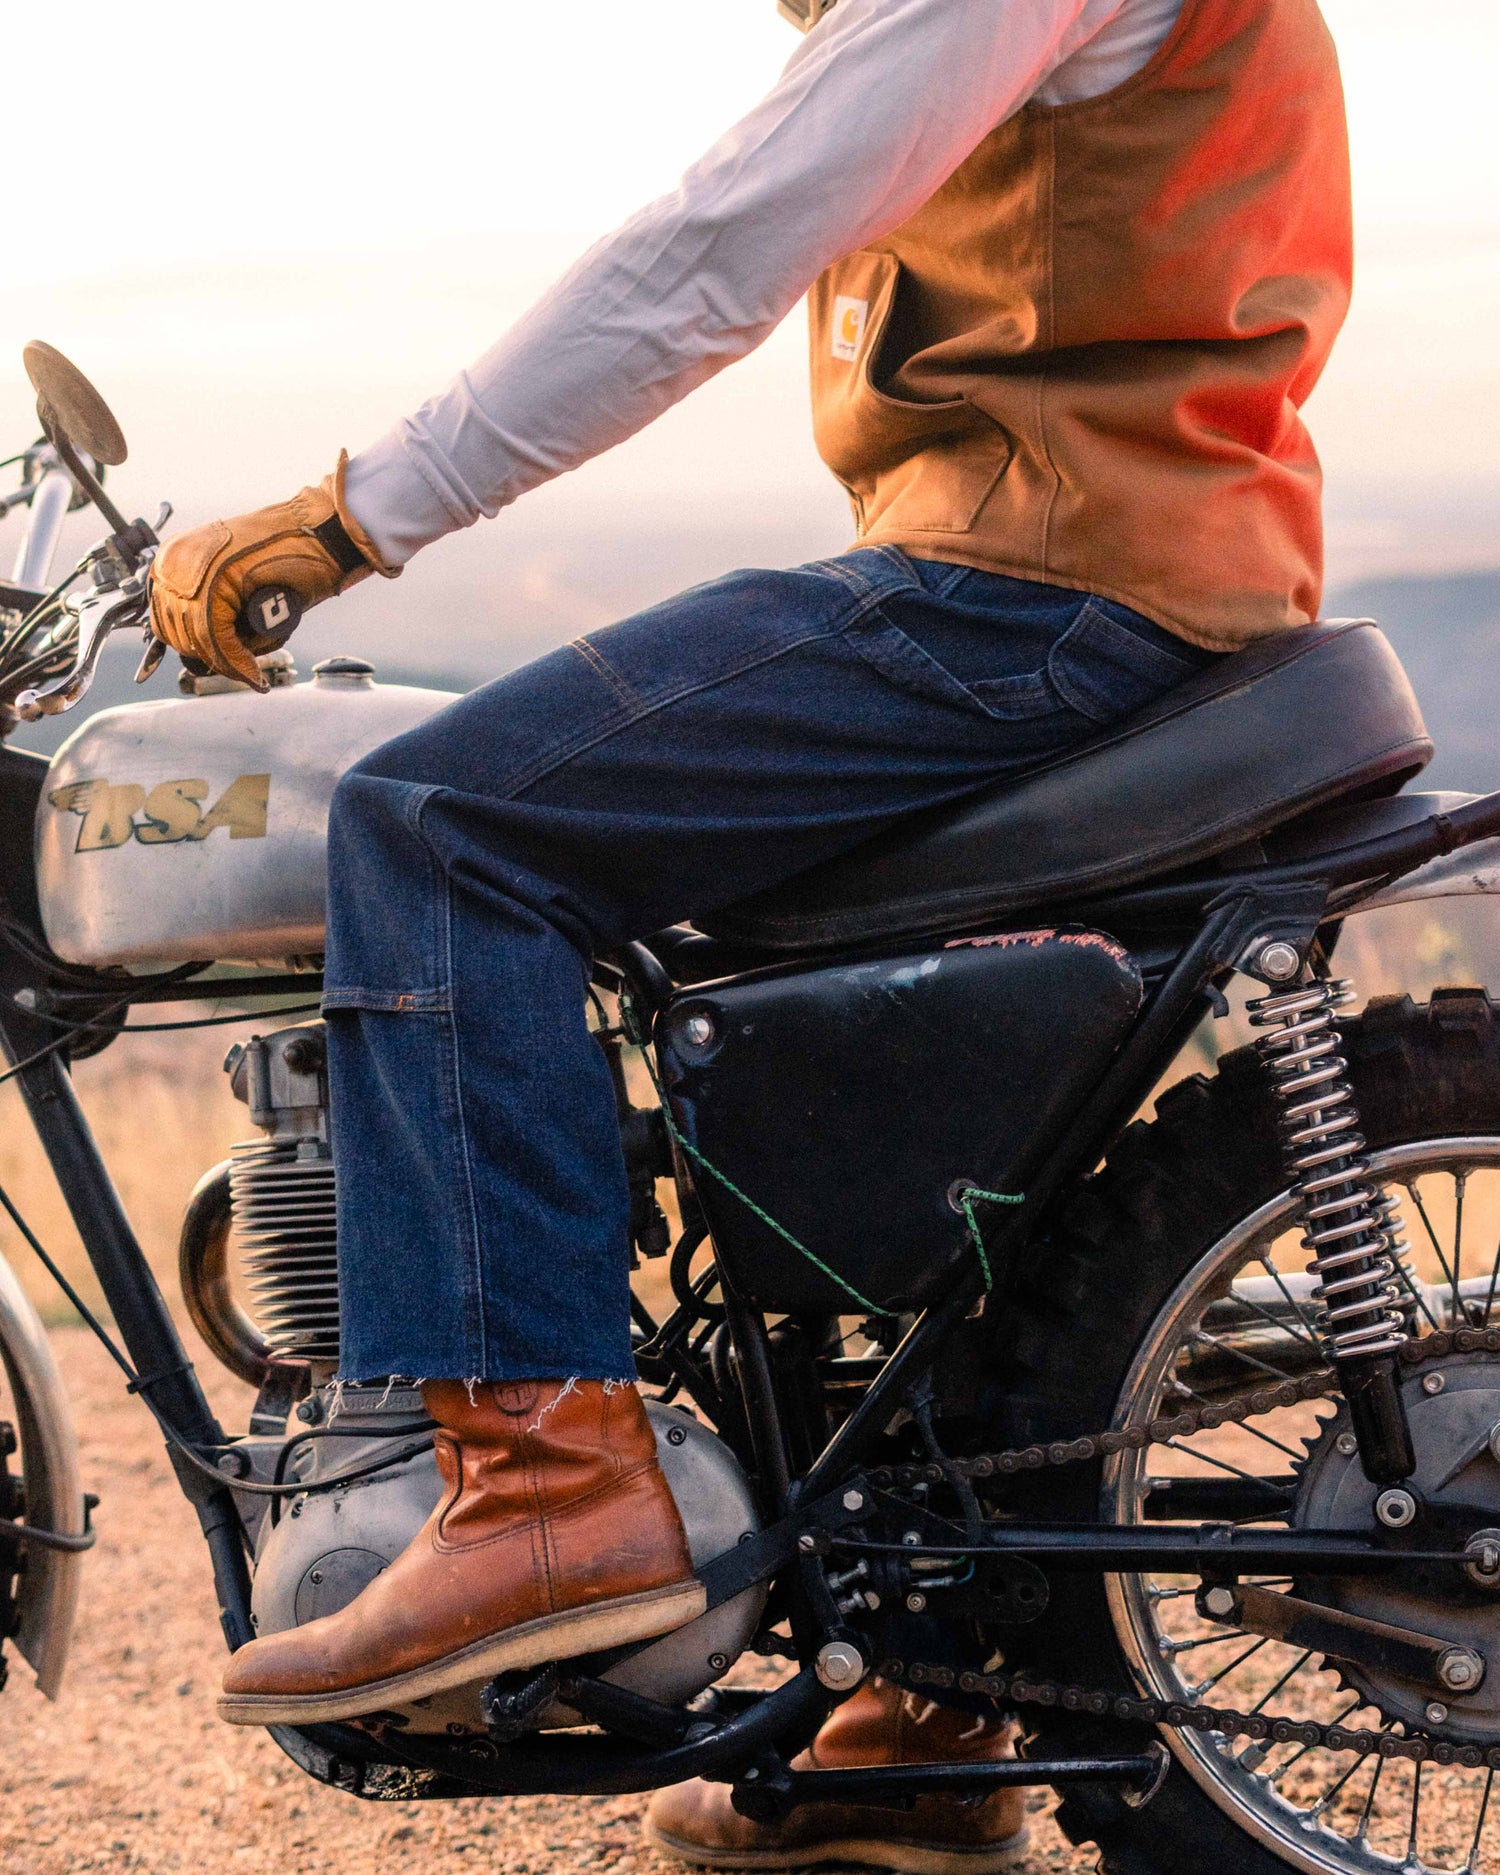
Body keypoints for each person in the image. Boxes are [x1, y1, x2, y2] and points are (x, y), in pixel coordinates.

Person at [148, 0, 1351, 1864]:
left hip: (1034, 584)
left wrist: (356, 512)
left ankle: (544, 1488)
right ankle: (934, 1676)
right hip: (1101, 568)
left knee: (438, 824)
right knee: (763, 1018)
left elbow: (722, 240)